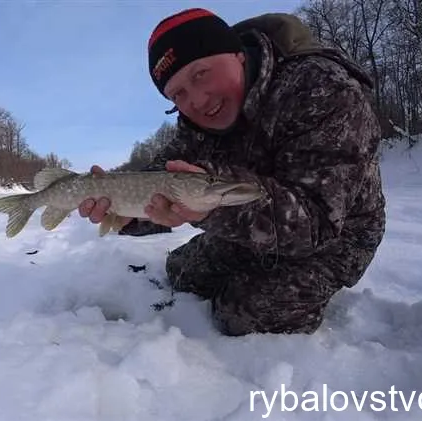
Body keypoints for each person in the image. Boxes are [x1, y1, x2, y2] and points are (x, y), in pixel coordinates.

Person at [78, 8, 386, 336]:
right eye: (177, 94)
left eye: (201, 74)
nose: (196, 100)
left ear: (238, 55)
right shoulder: (195, 125)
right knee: (181, 273)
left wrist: (208, 207)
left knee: (241, 315)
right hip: (250, 222)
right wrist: (126, 212)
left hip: (337, 237)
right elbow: (161, 176)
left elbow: (317, 223)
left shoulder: (321, 88)